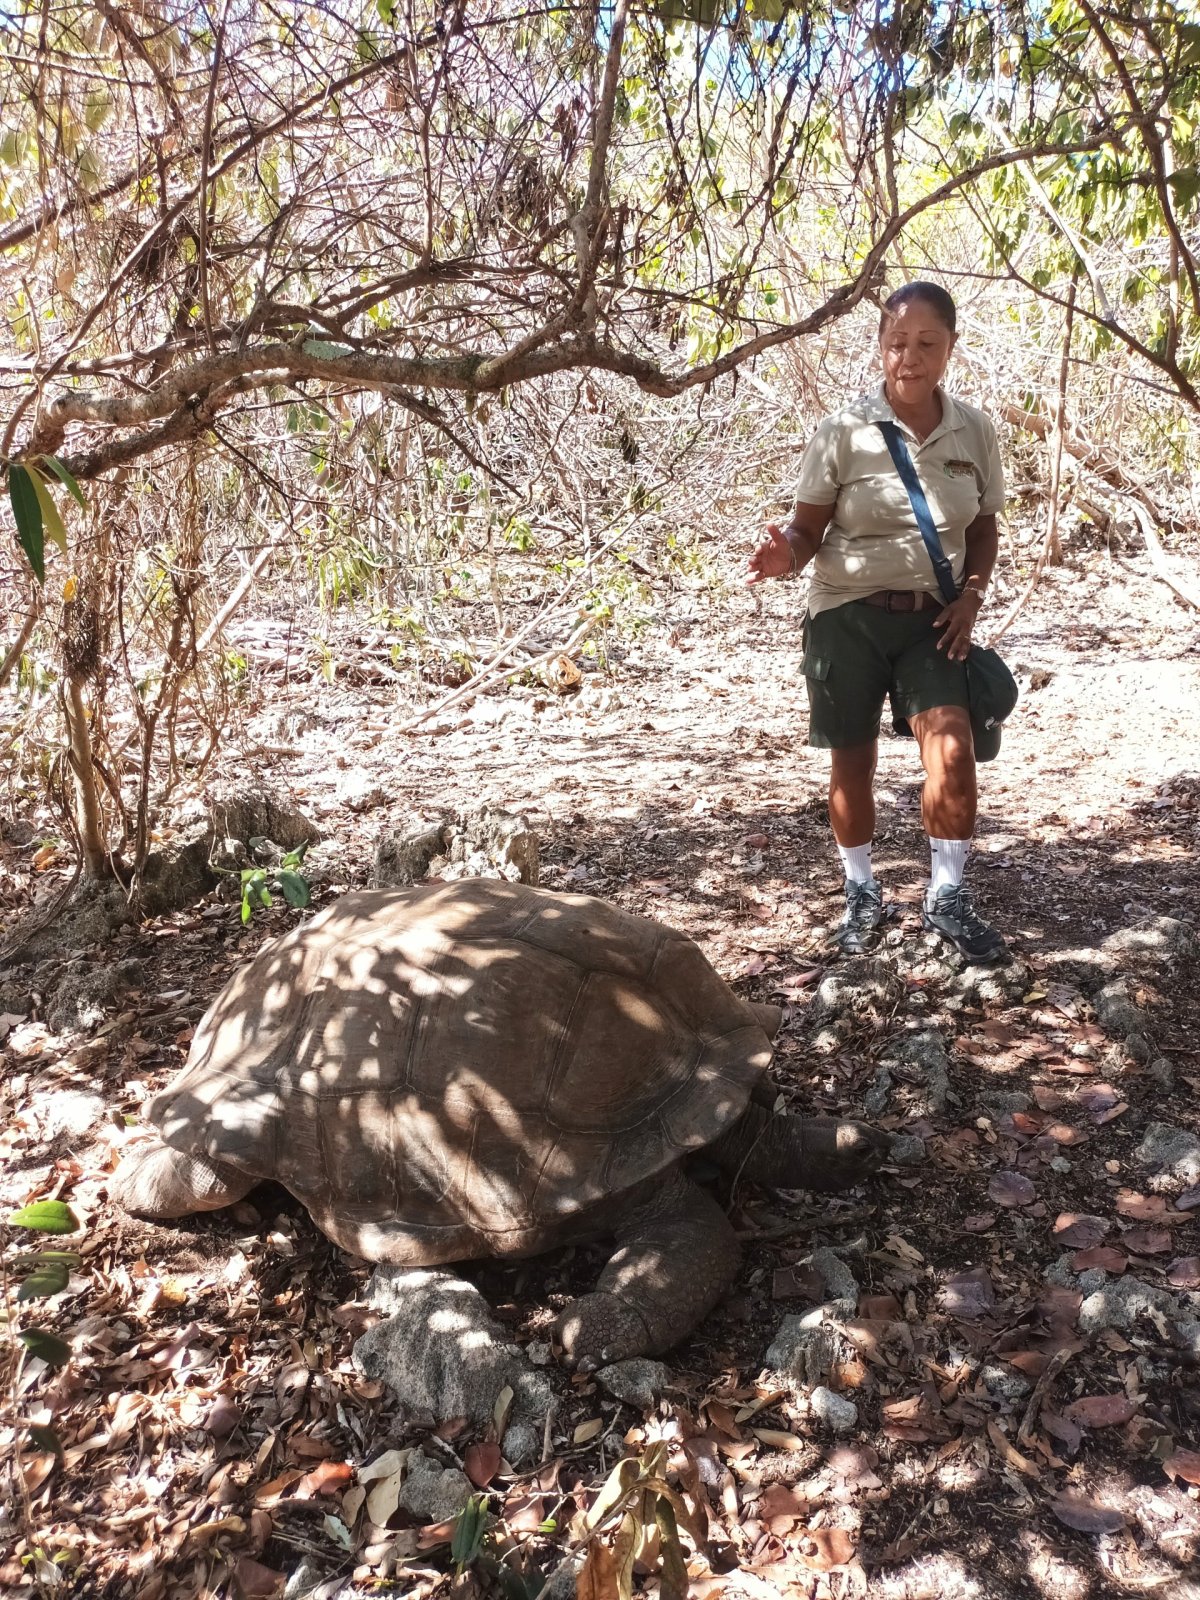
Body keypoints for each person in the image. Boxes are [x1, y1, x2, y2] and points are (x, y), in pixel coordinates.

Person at [746, 282, 1006, 963]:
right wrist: (784, 557)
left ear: (950, 347)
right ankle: (861, 892)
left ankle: (947, 897)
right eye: (896, 343)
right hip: (847, 618)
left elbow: (983, 528)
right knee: (852, 761)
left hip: (933, 622)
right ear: (880, 348)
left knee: (953, 752)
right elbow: (806, 530)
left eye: (926, 343)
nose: (909, 358)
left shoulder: (974, 431)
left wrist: (972, 597)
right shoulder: (843, 431)